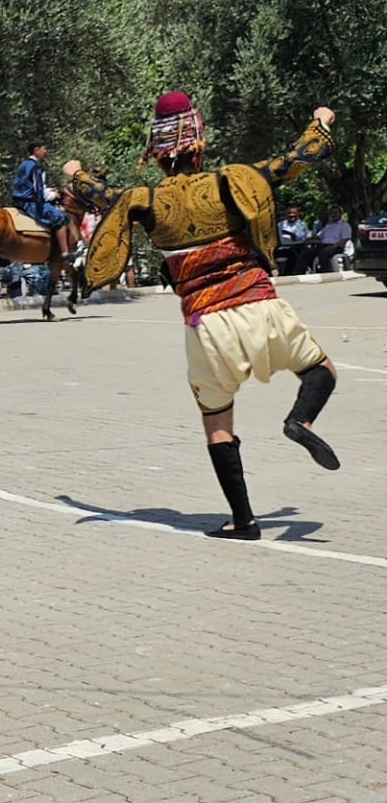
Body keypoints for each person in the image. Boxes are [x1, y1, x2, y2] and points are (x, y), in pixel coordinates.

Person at [65, 93, 340, 542]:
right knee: (321, 370)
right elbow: (299, 158)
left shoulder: (144, 198)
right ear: (199, 145)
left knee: (217, 423)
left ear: (156, 153)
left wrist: (74, 173)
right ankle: (301, 421)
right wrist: (321, 121)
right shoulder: (234, 181)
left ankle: (244, 521)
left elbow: (100, 195)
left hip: (206, 327)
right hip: (260, 306)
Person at [12, 141, 73, 258]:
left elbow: (29, 185)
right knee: (60, 218)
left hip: (21, 199)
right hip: (31, 203)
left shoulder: (24, 165)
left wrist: (49, 190)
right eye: (44, 149)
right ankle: (65, 253)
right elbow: (37, 190)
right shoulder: (35, 166)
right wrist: (52, 196)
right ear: (36, 150)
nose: (46, 152)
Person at [277, 205, 312, 275]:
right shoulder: (281, 225)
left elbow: (305, 237)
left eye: (293, 213)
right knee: (294, 253)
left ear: (298, 214)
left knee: (306, 251)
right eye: (289, 213)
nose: (291, 215)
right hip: (284, 248)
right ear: (286, 214)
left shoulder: (302, 224)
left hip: (299, 247)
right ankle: (289, 274)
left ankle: (300, 273)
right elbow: (284, 240)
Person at [315, 205, 352, 272]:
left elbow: (344, 240)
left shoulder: (344, 225)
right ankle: (299, 272)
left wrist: (333, 246)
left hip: (336, 247)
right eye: (332, 213)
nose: (334, 215)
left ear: (341, 214)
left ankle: (324, 273)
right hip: (323, 245)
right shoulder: (328, 225)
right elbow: (319, 236)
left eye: (336, 213)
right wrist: (310, 238)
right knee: (307, 252)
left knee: (323, 253)